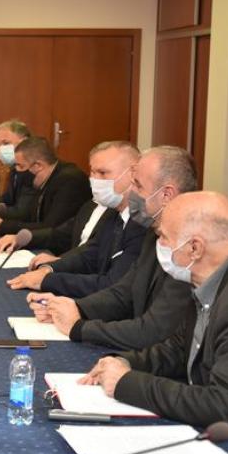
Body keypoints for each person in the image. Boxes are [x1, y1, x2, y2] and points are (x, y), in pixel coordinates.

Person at [79, 191, 228, 427]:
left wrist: (127, 383)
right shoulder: (204, 283)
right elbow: (178, 351)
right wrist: (126, 362)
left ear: (195, 248)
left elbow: (221, 404)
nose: (158, 244)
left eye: (163, 237)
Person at [28, 145, 197, 350]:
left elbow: (153, 330)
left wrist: (79, 328)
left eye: (138, 185)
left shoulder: (189, 249)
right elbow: (124, 293)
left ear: (167, 195)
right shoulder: (154, 231)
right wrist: (75, 308)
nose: (131, 191)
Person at [4, 141, 146, 298]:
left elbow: (113, 285)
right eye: (92, 172)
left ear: (133, 175)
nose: (95, 179)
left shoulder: (141, 223)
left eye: (103, 173)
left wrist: (48, 280)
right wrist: (51, 268)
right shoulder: (113, 213)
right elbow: (90, 253)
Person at [0, 136, 91, 235]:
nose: (17, 171)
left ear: (38, 166)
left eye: (21, 166)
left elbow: (50, 228)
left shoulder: (69, 181)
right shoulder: (46, 177)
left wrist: (0, 226)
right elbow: (29, 215)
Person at [0, 119, 37, 220]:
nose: (1, 149)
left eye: (6, 143)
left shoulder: (33, 170)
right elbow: (9, 198)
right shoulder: (14, 167)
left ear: (24, 142)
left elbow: (22, 212)